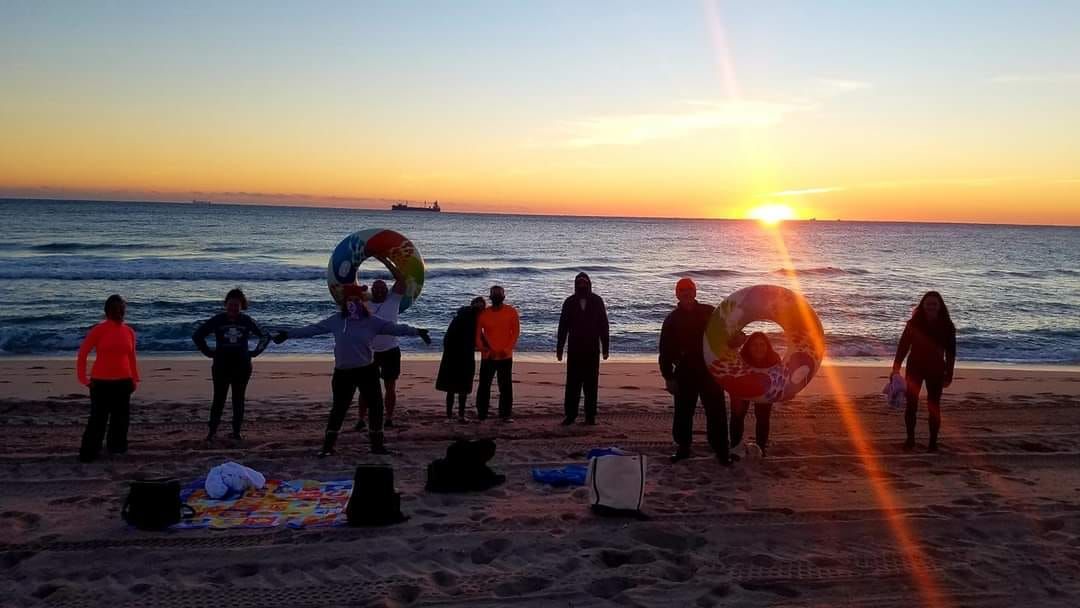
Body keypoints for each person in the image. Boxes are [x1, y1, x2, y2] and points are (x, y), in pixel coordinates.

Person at [273, 284, 431, 456]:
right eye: (349, 300)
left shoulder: (372, 321)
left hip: (367, 370)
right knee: (339, 409)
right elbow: (312, 329)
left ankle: (377, 446)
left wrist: (417, 331)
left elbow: (394, 328)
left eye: (356, 300)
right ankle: (328, 447)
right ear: (344, 302)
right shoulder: (336, 320)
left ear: (362, 301)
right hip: (343, 372)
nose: (353, 303)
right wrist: (288, 334)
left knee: (376, 407)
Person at [659, 278, 733, 464]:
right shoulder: (671, 319)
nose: (686, 292)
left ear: (695, 291)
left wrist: (737, 339)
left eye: (689, 289)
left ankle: (721, 450)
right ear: (677, 293)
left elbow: (726, 333)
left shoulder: (710, 312)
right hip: (684, 372)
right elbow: (665, 350)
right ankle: (683, 448)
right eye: (682, 289)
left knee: (716, 412)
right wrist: (668, 377)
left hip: (710, 370)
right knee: (683, 413)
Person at [192, 288, 270, 443]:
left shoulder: (247, 320)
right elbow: (197, 335)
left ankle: (236, 432)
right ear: (225, 304)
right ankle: (212, 432)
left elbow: (265, 336)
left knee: (238, 399)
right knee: (218, 399)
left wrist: (254, 353)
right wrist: (208, 352)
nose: (233, 308)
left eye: (236, 305)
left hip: (242, 366)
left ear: (242, 306)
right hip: (221, 365)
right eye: (230, 305)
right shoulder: (218, 319)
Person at [76, 294, 139, 463]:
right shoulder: (99, 329)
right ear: (108, 311)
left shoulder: (129, 331)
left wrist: (135, 379)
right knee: (98, 418)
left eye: (121, 309)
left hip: (124, 381)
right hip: (101, 382)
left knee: (121, 418)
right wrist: (83, 378)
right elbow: (83, 353)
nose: (119, 312)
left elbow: (131, 357)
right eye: (115, 310)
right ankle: (89, 451)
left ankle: (117, 447)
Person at [892, 291, 956, 452]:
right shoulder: (913, 323)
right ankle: (910, 440)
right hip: (915, 368)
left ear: (940, 306)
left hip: (936, 369)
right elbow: (903, 346)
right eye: (928, 304)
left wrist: (949, 374)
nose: (931, 307)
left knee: (934, 406)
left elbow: (951, 352)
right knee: (911, 406)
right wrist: (896, 368)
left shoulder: (947, 326)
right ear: (923, 305)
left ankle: (933, 443)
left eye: (934, 304)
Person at [355, 258, 409, 431]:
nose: (379, 290)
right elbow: (346, 291)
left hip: (391, 350)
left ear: (387, 289)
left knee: (390, 386)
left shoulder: (394, 299)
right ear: (372, 290)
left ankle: (389, 418)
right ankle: (361, 419)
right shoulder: (365, 303)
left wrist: (385, 260)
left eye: (382, 288)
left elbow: (401, 279)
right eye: (376, 288)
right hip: (369, 352)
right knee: (364, 388)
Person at [556, 272, 610, 425]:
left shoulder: (597, 301)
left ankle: (590, 416)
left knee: (591, 384)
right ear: (575, 284)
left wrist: (606, 347)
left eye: (584, 282)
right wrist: (559, 348)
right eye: (579, 282)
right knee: (572, 384)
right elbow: (563, 326)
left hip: (592, 349)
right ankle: (570, 415)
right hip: (574, 349)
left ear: (589, 284)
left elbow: (604, 325)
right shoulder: (569, 302)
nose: (581, 285)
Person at [729, 332, 782, 458]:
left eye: (762, 344)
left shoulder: (773, 358)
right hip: (744, 384)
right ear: (748, 347)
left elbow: (780, 380)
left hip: (765, 386)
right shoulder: (741, 358)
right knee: (737, 415)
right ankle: (735, 446)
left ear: (767, 346)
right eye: (754, 345)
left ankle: (761, 447)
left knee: (763, 417)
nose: (759, 348)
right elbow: (732, 373)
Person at [436, 296, 486, 421]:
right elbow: (479, 337)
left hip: (452, 355)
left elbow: (447, 338)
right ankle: (460, 415)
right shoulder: (472, 317)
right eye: (480, 306)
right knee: (461, 387)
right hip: (462, 355)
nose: (480, 309)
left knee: (452, 388)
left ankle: (450, 416)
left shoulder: (461, 315)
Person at [475, 285, 520, 422]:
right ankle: (482, 414)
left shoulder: (511, 312)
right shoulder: (484, 314)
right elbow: (477, 335)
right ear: (490, 297)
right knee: (484, 386)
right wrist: (485, 350)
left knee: (505, 386)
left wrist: (506, 349)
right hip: (488, 356)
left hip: (505, 356)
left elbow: (515, 333)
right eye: (494, 294)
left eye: (499, 294)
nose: (496, 297)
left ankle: (505, 414)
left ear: (504, 297)